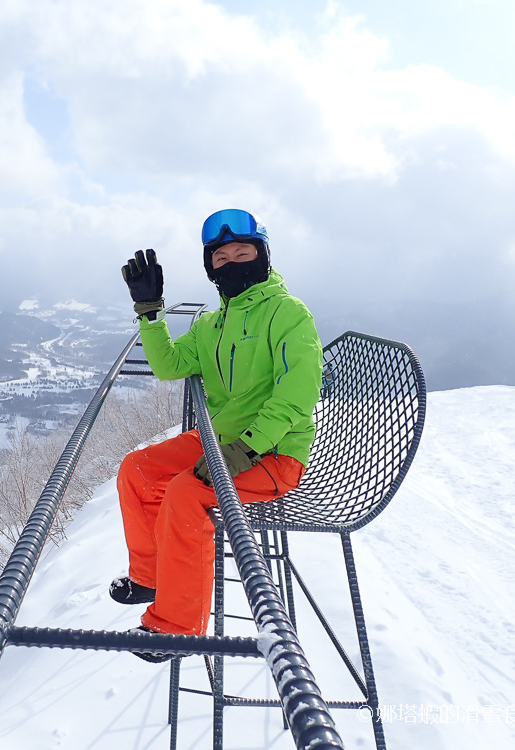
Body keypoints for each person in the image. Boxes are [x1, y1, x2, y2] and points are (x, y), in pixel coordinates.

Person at [111, 208, 322, 662]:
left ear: (262, 256)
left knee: (187, 492)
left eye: (242, 252)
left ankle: (177, 627)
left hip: (273, 452)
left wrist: (247, 448)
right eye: (221, 258)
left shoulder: (288, 314)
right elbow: (168, 365)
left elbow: (297, 393)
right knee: (138, 469)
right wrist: (150, 313)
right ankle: (150, 578)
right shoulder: (212, 325)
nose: (232, 262)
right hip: (220, 442)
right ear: (211, 270)